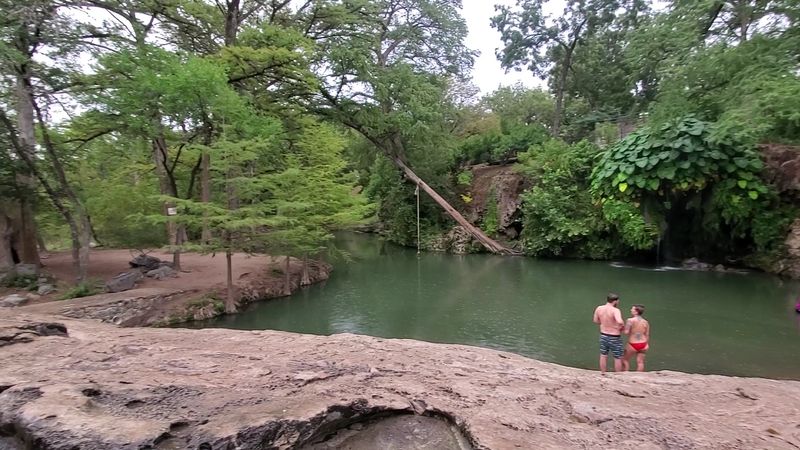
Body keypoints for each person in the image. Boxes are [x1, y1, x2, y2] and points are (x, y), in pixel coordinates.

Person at [593, 293, 625, 373]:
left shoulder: (599, 308)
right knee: (617, 357)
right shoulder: (615, 310)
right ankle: (618, 375)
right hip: (614, 337)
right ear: (615, 301)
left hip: (603, 335)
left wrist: (604, 323)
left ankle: (603, 373)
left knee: (603, 355)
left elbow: (595, 320)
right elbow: (619, 321)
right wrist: (621, 326)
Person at [623, 304, 650, 372]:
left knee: (624, 360)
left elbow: (626, 332)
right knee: (640, 362)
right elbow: (647, 334)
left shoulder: (630, 320)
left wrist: (621, 328)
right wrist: (646, 344)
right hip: (643, 344)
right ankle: (639, 376)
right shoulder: (646, 322)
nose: (631, 310)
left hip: (633, 343)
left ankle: (625, 374)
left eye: (632, 309)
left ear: (636, 311)